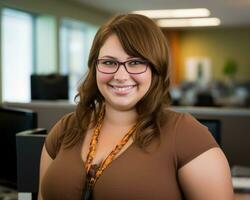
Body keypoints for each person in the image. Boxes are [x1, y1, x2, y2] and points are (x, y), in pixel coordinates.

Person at [38, 14, 234, 200]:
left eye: (135, 62)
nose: (121, 76)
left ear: (156, 67)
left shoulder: (186, 135)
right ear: (94, 67)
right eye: (108, 62)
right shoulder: (66, 128)